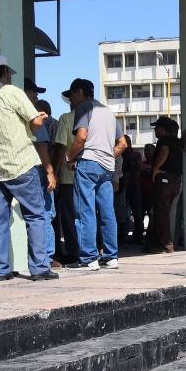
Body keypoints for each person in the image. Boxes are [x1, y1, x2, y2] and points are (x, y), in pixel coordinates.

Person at [0, 54, 55, 281]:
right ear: (5, 72)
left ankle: (0, 269)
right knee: (35, 215)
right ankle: (39, 268)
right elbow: (36, 123)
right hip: (20, 163)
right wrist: (40, 116)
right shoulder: (12, 92)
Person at [63, 78, 126, 270]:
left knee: (84, 210)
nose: (71, 102)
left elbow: (81, 137)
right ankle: (110, 256)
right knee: (107, 211)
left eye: (72, 96)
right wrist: (106, 154)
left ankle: (89, 257)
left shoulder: (84, 108)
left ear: (80, 93)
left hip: (88, 163)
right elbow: (122, 144)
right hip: (107, 167)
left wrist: (69, 158)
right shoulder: (108, 112)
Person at [23, 78, 60, 270]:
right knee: (43, 213)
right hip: (36, 169)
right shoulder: (35, 117)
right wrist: (50, 171)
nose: (36, 96)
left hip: (16, 169)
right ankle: (45, 256)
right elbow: (43, 146)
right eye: (33, 92)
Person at [148, 116, 183, 254]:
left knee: (161, 212)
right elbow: (185, 147)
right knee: (167, 212)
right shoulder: (177, 142)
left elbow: (164, 152)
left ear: (162, 129)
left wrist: (156, 169)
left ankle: (166, 244)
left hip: (164, 179)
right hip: (175, 180)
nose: (155, 130)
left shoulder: (164, 141)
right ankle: (164, 241)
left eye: (157, 127)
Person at [51, 104, 79, 264]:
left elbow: (61, 147)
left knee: (69, 216)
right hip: (89, 177)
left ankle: (73, 251)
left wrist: (54, 171)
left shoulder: (66, 118)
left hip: (69, 177)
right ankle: (90, 250)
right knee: (88, 215)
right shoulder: (96, 118)